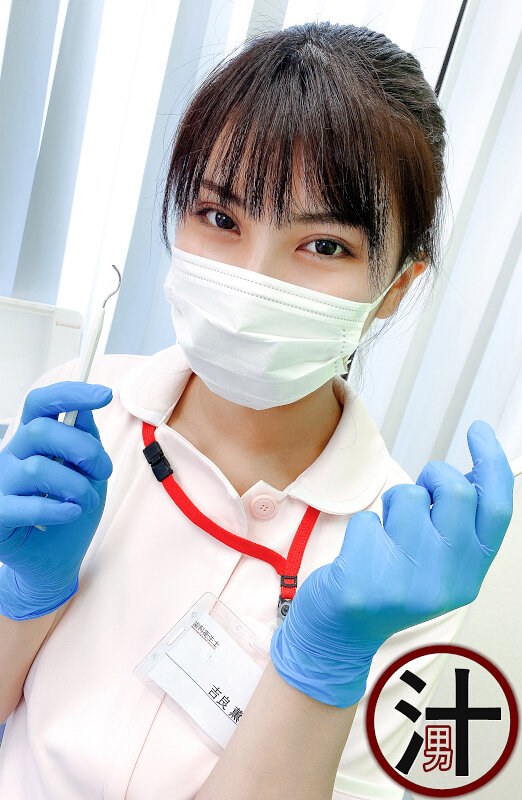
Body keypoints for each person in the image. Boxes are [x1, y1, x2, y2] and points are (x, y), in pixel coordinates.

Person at [0, 21, 514, 800]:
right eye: (220, 218)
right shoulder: (80, 420)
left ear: (396, 289)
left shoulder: (400, 561)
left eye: (325, 245)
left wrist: (323, 670)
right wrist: (25, 595)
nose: (253, 280)